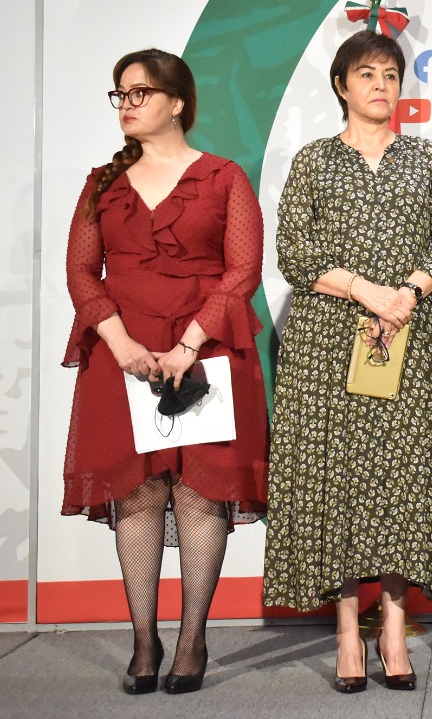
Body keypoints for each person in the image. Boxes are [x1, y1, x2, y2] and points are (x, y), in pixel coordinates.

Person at [262, 30, 432, 693]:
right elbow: (295, 254)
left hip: (407, 340)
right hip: (326, 344)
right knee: (339, 481)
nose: (380, 85)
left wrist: (405, 295)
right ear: (341, 86)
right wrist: (364, 290)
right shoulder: (314, 161)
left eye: (390, 74)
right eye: (366, 74)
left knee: (402, 478)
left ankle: (393, 625)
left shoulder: (424, 158)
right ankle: (348, 630)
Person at [62, 48, 269, 695]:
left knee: (200, 491)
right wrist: (121, 343)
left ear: (177, 103)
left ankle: (191, 640)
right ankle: (144, 640)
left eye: (140, 93)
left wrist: (188, 345)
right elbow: (80, 271)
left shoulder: (225, 178)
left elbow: (243, 270)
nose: (126, 104)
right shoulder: (102, 181)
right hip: (122, 351)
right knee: (137, 492)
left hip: (205, 350)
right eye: (120, 94)